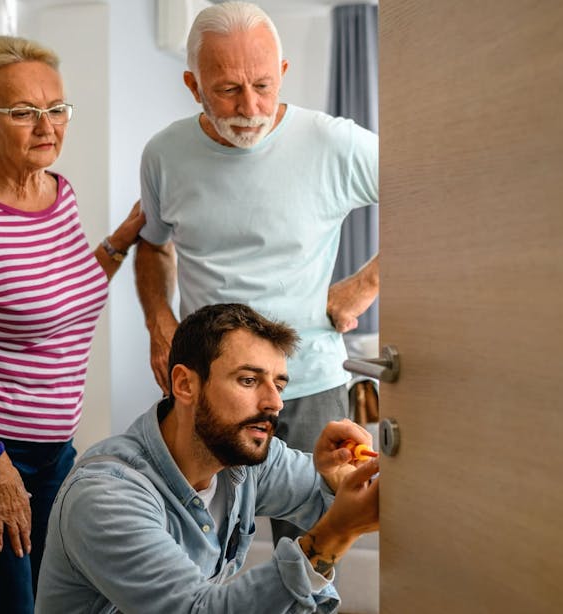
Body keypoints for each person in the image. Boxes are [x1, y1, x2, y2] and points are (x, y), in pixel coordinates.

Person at [134, 0, 380, 546]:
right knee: (197, 547)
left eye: (264, 86)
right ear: (192, 84)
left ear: (284, 74)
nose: (251, 107)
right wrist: (158, 320)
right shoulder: (163, 155)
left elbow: (429, 189)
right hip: (209, 388)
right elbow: (152, 246)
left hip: (308, 382)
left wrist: (364, 286)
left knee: (315, 547)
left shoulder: (332, 143)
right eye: (227, 90)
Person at [0, 35, 145, 613]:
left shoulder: (59, 194)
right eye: (23, 113)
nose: (47, 126)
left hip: (57, 452)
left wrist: (123, 238)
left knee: (66, 603)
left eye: (56, 109)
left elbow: (70, 294)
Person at [35, 303, 380, 613]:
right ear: (185, 385)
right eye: (248, 380)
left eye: (279, 384)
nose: (274, 403)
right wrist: (335, 531)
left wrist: (341, 484)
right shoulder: (106, 497)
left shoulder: (245, 458)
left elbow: (361, 506)